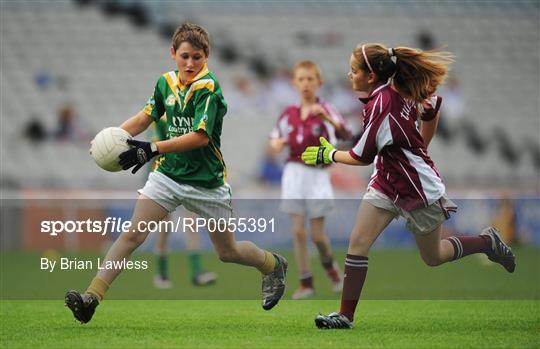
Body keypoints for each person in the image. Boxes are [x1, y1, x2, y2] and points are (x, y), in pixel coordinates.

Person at [65, 23, 287, 324]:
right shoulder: (164, 83)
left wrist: (152, 148)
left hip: (207, 183)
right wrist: (111, 136)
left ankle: (272, 264)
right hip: (168, 176)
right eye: (185, 56)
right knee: (132, 235)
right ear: (173, 54)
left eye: (197, 57)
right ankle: (91, 297)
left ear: (206, 56)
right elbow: (145, 118)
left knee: (228, 252)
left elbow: (200, 137)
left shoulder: (209, 89)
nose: (190, 63)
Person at [301, 43, 516, 329]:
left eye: (354, 70)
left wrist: (327, 154)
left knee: (434, 256)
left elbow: (361, 156)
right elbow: (431, 109)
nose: (349, 75)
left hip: (417, 187)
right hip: (387, 182)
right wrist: (419, 146)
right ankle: (345, 316)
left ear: (371, 76)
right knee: (358, 242)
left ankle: (487, 242)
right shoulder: (391, 91)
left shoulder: (383, 104)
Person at [269, 61, 351, 299]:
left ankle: (331, 269)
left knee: (317, 236)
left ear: (318, 83)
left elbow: (346, 134)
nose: (305, 84)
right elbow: (275, 138)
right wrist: (276, 143)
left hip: (317, 174)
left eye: (310, 79)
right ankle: (306, 282)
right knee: (298, 232)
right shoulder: (289, 114)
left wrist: (328, 118)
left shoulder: (326, 110)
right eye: (301, 79)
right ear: (294, 83)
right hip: (294, 172)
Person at [149, 117, 217, 288]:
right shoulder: (160, 118)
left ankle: (196, 273)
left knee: (191, 224)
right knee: (165, 228)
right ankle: (162, 274)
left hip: (188, 175)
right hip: (166, 175)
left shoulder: (190, 113)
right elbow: (155, 148)